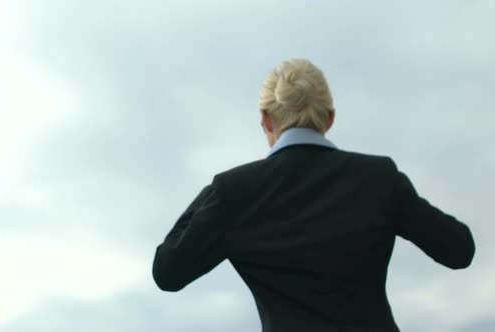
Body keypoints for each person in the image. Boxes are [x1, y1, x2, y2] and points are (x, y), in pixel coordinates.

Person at [152, 58, 475, 332]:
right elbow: (459, 250)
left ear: (265, 119)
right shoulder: (379, 178)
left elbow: (168, 271)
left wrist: (214, 192)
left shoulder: (233, 192)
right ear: (329, 118)